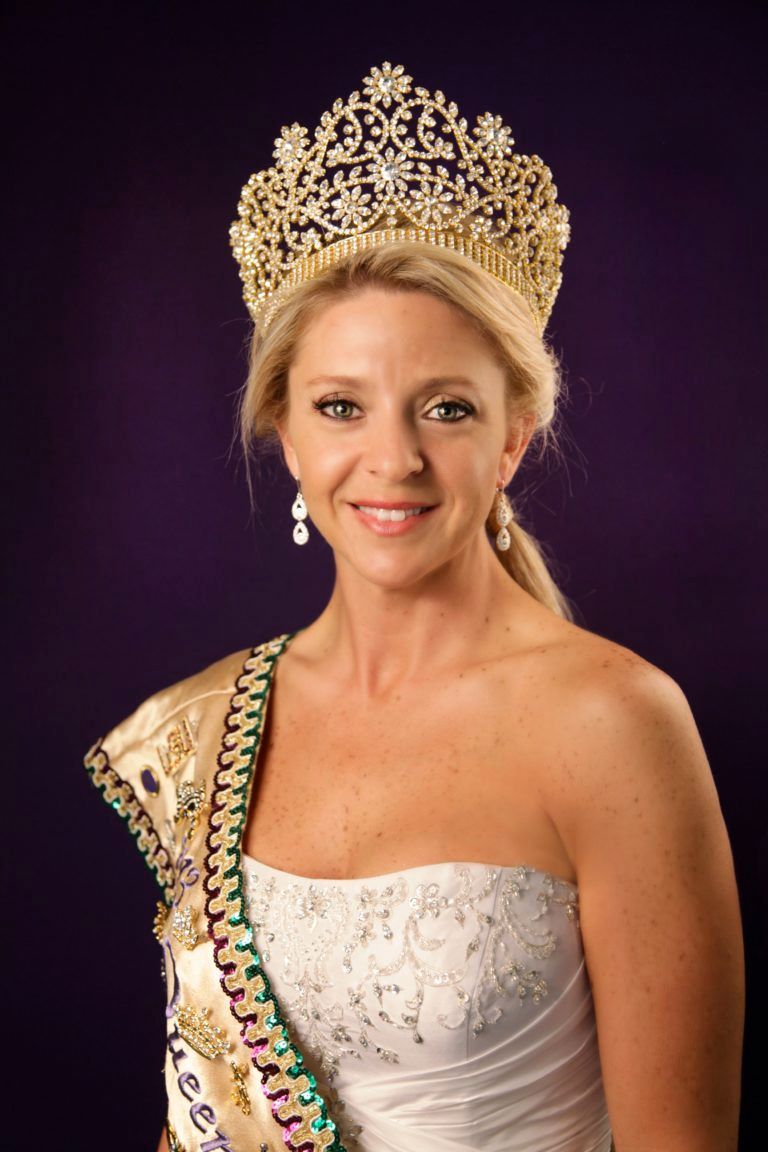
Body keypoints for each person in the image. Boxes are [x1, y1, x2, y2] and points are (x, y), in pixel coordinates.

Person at [85, 62, 744, 1152]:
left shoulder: (616, 724)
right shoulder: (206, 728)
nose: (390, 460)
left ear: (513, 438)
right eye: (341, 407)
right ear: (288, 436)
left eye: (445, 407)